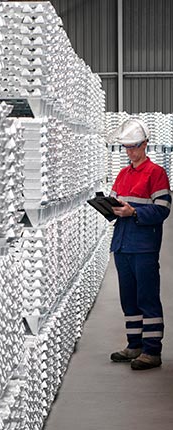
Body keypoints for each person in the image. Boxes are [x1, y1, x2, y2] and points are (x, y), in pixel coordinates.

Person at [109, 118, 171, 370]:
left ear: (145, 144)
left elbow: (163, 209)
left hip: (143, 246)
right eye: (126, 147)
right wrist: (108, 208)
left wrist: (133, 212)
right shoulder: (123, 174)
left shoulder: (156, 173)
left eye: (134, 146)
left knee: (147, 297)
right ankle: (134, 344)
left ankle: (152, 351)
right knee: (129, 299)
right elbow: (115, 204)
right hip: (122, 245)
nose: (130, 152)